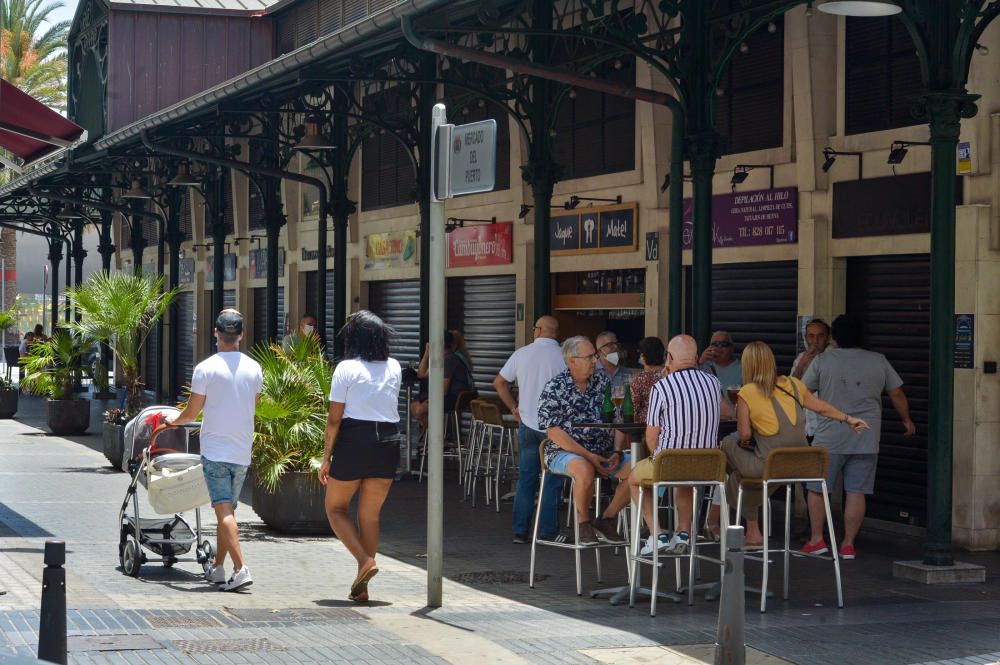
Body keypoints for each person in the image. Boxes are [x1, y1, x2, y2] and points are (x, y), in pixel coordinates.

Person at [721, 341, 869, 548]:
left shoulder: (747, 392)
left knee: (727, 444)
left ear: (748, 365)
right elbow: (822, 409)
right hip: (800, 466)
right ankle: (741, 491)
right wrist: (848, 418)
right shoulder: (794, 385)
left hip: (770, 466)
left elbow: (744, 434)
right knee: (740, 478)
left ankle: (747, 522)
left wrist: (751, 429)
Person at [801, 315, 914, 560]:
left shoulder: (822, 360)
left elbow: (803, 392)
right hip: (866, 436)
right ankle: (848, 544)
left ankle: (817, 539)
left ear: (835, 337)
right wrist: (906, 419)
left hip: (829, 436)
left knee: (818, 489)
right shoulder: (878, 360)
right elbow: (897, 394)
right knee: (856, 491)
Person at [166, 309, 262, 592]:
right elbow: (252, 404)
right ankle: (219, 569)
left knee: (224, 513)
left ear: (216, 334)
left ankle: (240, 568)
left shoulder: (205, 368)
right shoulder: (255, 368)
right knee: (229, 510)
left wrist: (173, 421)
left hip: (216, 451)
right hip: (242, 449)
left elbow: (192, 411)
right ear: (241, 336)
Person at [318, 310, 402, 603]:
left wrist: (326, 456)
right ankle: (362, 585)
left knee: (335, 509)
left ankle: (365, 562)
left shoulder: (346, 369)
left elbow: (334, 419)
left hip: (355, 440)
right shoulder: (395, 366)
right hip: (388, 441)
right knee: (370, 516)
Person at [629, 335, 724, 555]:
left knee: (634, 480)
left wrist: (657, 458)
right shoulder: (713, 383)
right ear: (697, 358)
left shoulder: (661, 387)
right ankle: (683, 531)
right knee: (685, 481)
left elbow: (651, 437)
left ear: (668, 358)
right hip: (707, 467)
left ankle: (656, 534)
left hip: (670, 463)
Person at [537, 336, 632, 546]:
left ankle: (606, 518)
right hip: (564, 452)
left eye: (594, 356)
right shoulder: (555, 387)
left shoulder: (602, 382)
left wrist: (617, 451)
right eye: (589, 357)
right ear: (572, 361)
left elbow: (618, 420)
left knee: (639, 467)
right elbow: (553, 431)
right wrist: (588, 455)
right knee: (584, 468)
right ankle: (584, 523)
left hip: (604, 451)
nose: (594, 361)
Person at [494, 315, 566, 544]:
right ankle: (548, 531)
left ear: (539, 330)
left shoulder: (522, 353)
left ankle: (520, 531)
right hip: (554, 428)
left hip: (527, 424)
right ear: (555, 332)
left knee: (526, 479)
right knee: (552, 479)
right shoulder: (564, 357)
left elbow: (499, 382)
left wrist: (513, 407)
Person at [411, 330, 475, 431]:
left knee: (419, 410)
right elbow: (421, 374)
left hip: (454, 398)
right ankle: (432, 437)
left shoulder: (450, 360)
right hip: (452, 397)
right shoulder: (444, 358)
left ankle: (437, 439)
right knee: (415, 405)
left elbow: (443, 391)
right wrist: (427, 353)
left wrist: (428, 401)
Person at [791, 318, 832, 441]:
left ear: (828, 338)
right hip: (804, 427)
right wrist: (802, 364)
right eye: (811, 336)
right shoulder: (800, 359)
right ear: (806, 338)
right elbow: (790, 388)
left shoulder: (833, 360)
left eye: (820, 336)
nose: (815, 341)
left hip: (825, 427)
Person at [699, 330, 742, 411]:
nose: (718, 348)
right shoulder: (703, 367)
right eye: (714, 344)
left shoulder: (743, 369)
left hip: (733, 420)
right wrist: (699, 362)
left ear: (732, 348)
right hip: (710, 420)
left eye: (723, 344)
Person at [629, 337, 666, 424]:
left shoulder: (640, 379)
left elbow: (632, 409)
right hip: (670, 427)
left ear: (643, 356)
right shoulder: (670, 376)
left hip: (645, 430)